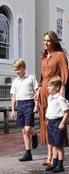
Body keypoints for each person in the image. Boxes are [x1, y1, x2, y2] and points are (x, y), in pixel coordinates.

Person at [35, 31, 69, 166]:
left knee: (55, 123)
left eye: (48, 41)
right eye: (44, 41)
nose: (46, 43)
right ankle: (49, 155)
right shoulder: (43, 59)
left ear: (54, 42)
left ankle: (55, 157)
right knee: (45, 124)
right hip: (43, 94)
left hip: (54, 94)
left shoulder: (60, 56)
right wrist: (38, 90)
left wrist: (61, 93)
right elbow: (42, 78)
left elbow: (65, 75)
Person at [10, 58, 39, 161]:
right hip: (20, 105)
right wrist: (13, 110)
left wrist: (36, 105)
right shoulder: (15, 82)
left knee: (28, 129)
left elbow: (36, 93)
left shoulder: (31, 78)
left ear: (24, 68)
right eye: (15, 69)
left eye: (19, 69)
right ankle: (28, 153)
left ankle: (35, 135)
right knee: (23, 131)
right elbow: (13, 96)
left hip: (29, 103)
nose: (17, 71)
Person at [45, 76, 69, 173]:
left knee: (59, 145)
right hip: (50, 123)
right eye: (48, 86)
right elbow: (50, 110)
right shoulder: (50, 98)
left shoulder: (60, 99)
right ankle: (54, 163)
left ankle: (60, 165)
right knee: (53, 144)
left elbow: (66, 111)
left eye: (50, 86)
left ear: (57, 87)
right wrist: (47, 120)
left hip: (58, 123)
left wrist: (63, 123)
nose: (48, 88)